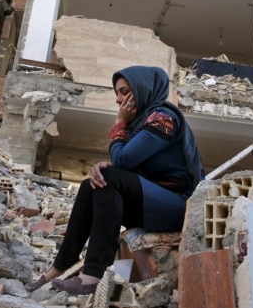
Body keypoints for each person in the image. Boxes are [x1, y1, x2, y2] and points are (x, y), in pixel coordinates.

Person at [25, 65, 204, 295]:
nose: (119, 100)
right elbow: (127, 165)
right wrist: (107, 167)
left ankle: (92, 274)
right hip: (153, 204)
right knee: (93, 183)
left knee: (108, 177)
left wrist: (118, 123)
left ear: (143, 89)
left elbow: (122, 160)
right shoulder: (140, 124)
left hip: (178, 208)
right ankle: (56, 269)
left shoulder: (163, 119)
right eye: (117, 93)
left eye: (125, 91)